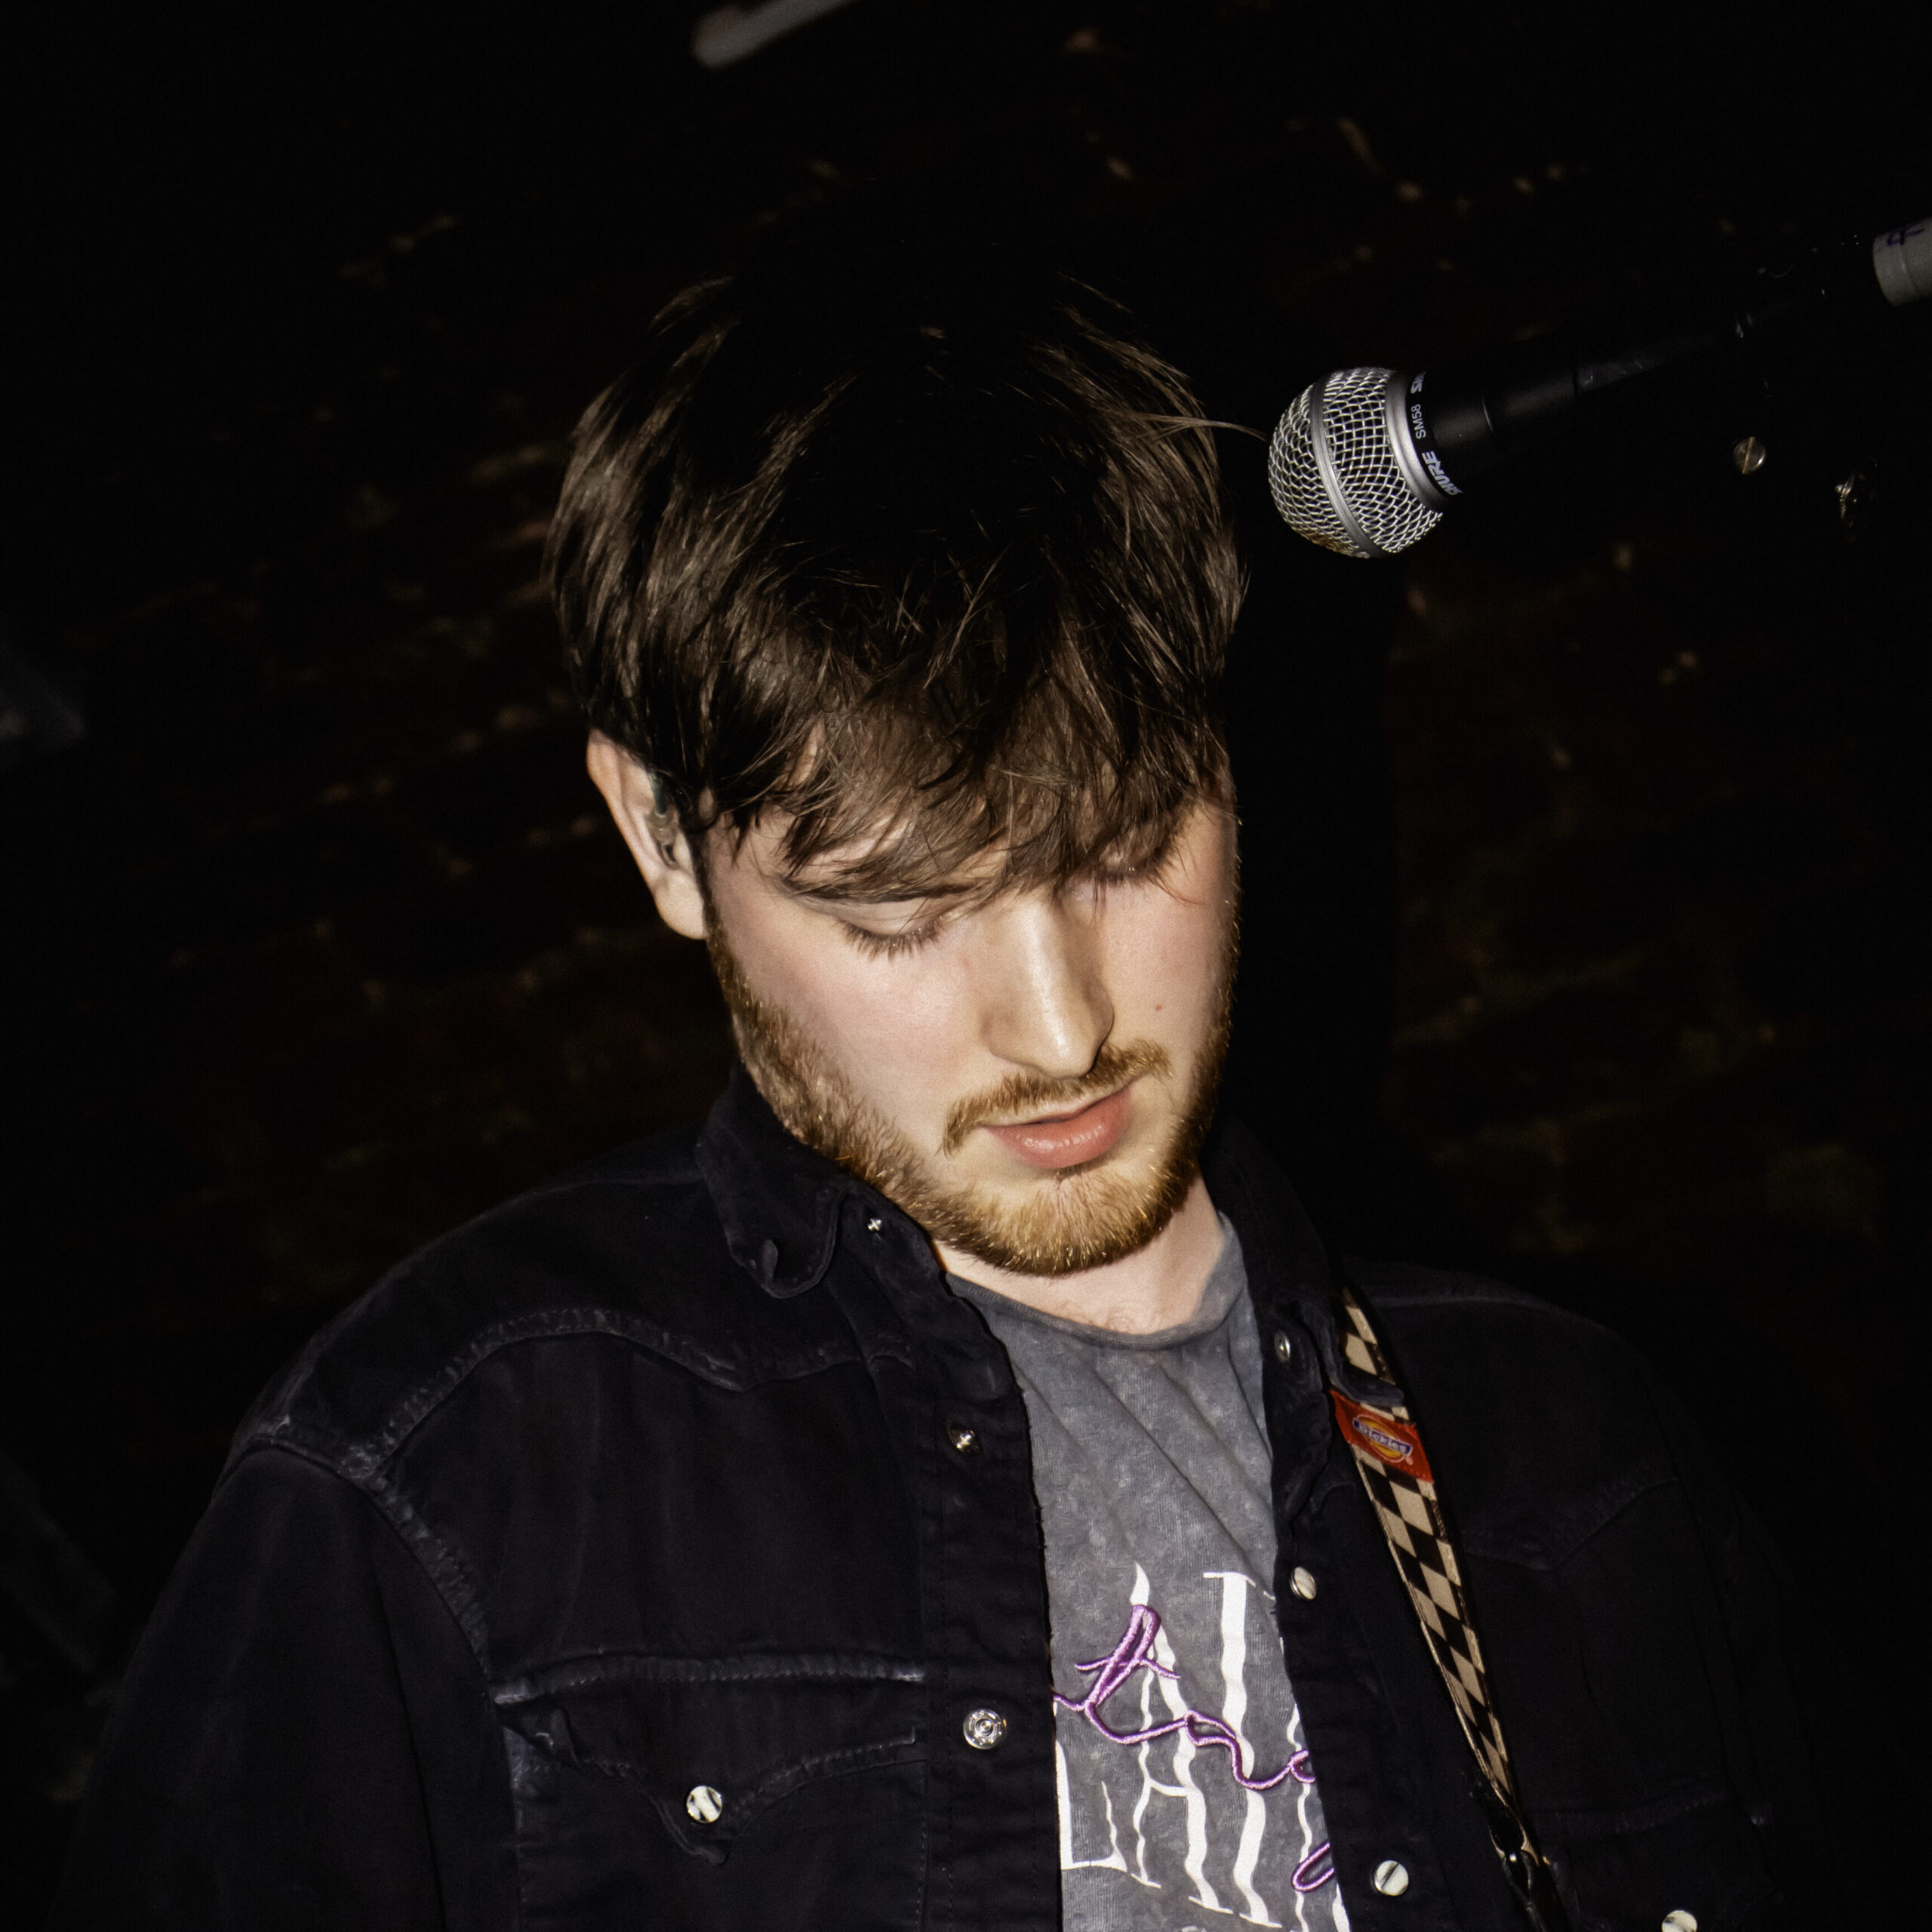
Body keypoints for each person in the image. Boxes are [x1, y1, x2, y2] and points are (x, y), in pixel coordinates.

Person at [53, 204, 1878, 1931]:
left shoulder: (1571, 1451)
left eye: (1124, 847)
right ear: (662, 836)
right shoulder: (447, 1463)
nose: (1060, 1025)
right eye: (902, 912)